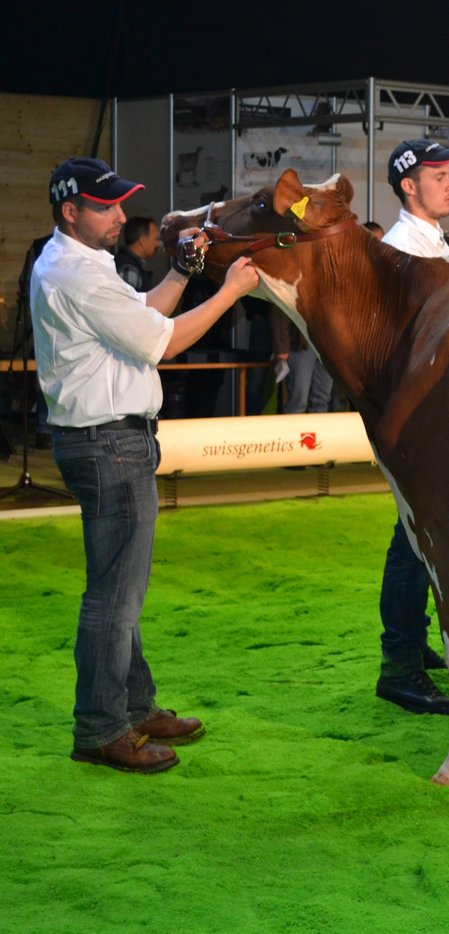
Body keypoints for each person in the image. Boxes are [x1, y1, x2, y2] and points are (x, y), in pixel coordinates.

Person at [31, 157, 259, 772]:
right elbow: (165, 341)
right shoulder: (78, 274)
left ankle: (132, 708)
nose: (121, 215)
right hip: (109, 443)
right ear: (70, 211)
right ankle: (101, 729)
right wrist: (230, 291)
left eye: (119, 203)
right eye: (105, 206)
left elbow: (147, 315)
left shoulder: (77, 264)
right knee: (114, 597)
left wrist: (182, 272)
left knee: (117, 590)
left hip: (103, 440)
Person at [374, 138, 449, 714]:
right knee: (413, 542)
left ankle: (411, 645)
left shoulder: (427, 241)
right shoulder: (399, 250)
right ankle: (400, 664)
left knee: (420, 537)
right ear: (409, 186)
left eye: (448, 172)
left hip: (432, 413)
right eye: (437, 174)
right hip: (417, 418)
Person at [114, 216, 158, 291]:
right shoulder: (129, 269)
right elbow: (125, 298)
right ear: (143, 241)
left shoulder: (130, 264)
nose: (157, 244)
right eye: (155, 239)